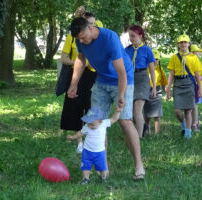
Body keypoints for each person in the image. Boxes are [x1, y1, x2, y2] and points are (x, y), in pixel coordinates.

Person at [68, 17, 145, 180]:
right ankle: (104, 169)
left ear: (91, 27)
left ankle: (139, 166)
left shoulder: (109, 38)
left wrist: (122, 95)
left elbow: (122, 72)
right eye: (79, 39)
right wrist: (73, 83)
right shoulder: (81, 39)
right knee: (96, 121)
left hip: (122, 80)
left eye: (83, 36)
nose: (82, 41)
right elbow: (81, 59)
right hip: (101, 80)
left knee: (124, 121)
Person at [60, 10, 102, 153]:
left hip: (93, 77)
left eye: (93, 24)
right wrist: (80, 63)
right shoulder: (72, 38)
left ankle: (92, 139)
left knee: (92, 107)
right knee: (76, 108)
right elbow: (64, 59)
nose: (91, 26)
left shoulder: (98, 38)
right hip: (77, 76)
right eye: (88, 23)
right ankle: (79, 142)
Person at [66, 106, 121, 184]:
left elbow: (114, 119)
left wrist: (117, 112)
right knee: (85, 166)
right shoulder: (87, 126)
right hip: (87, 151)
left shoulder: (104, 124)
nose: (90, 126)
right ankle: (85, 179)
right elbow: (80, 133)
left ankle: (103, 178)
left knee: (102, 167)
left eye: (92, 125)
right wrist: (73, 137)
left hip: (100, 152)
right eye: (88, 123)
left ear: (100, 121)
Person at [166, 34, 202, 139]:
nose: (183, 44)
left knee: (188, 110)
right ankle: (183, 125)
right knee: (177, 111)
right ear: (178, 44)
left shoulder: (194, 57)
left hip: (189, 83)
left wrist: (199, 88)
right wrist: (168, 89)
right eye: (181, 42)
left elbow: (197, 74)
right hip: (178, 84)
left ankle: (187, 134)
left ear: (189, 44)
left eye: (185, 42)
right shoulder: (174, 57)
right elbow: (171, 74)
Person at [125, 25, 156, 138]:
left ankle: (138, 137)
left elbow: (152, 70)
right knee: (132, 112)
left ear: (140, 36)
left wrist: (153, 87)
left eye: (133, 36)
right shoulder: (127, 50)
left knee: (138, 108)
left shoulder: (147, 50)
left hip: (142, 78)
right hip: (129, 78)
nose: (131, 38)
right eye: (129, 36)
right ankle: (143, 126)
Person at [143, 49, 168, 135]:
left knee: (157, 113)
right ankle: (147, 130)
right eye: (153, 59)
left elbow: (164, 82)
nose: (155, 61)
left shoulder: (160, 69)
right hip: (146, 90)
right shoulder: (145, 69)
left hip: (157, 90)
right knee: (147, 113)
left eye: (156, 59)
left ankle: (157, 133)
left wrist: (167, 92)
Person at [190, 44, 202, 132]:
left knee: (195, 105)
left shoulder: (201, 64)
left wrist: (199, 77)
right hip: (189, 87)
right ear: (192, 53)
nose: (199, 54)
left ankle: (195, 123)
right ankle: (193, 121)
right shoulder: (188, 62)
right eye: (198, 52)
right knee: (191, 106)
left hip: (197, 87)